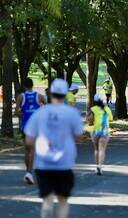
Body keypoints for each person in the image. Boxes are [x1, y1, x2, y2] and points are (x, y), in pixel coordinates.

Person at [24, 78, 83, 218]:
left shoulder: (40, 113)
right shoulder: (72, 113)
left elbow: (29, 140)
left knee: (47, 201)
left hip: (44, 163)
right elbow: (79, 137)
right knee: (63, 201)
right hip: (65, 162)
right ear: (65, 94)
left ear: (50, 93)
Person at [15, 77, 46, 185]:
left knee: (27, 149)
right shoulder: (40, 96)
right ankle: (29, 173)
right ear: (32, 85)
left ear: (24, 86)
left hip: (25, 126)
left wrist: (23, 114)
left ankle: (27, 172)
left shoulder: (20, 97)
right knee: (32, 150)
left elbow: (16, 112)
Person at [86, 94, 113, 176]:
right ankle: (100, 167)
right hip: (104, 132)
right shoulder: (107, 109)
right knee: (102, 150)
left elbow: (88, 119)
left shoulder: (93, 109)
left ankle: (97, 166)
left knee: (96, 149)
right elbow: (111, 118)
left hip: (95, 131)